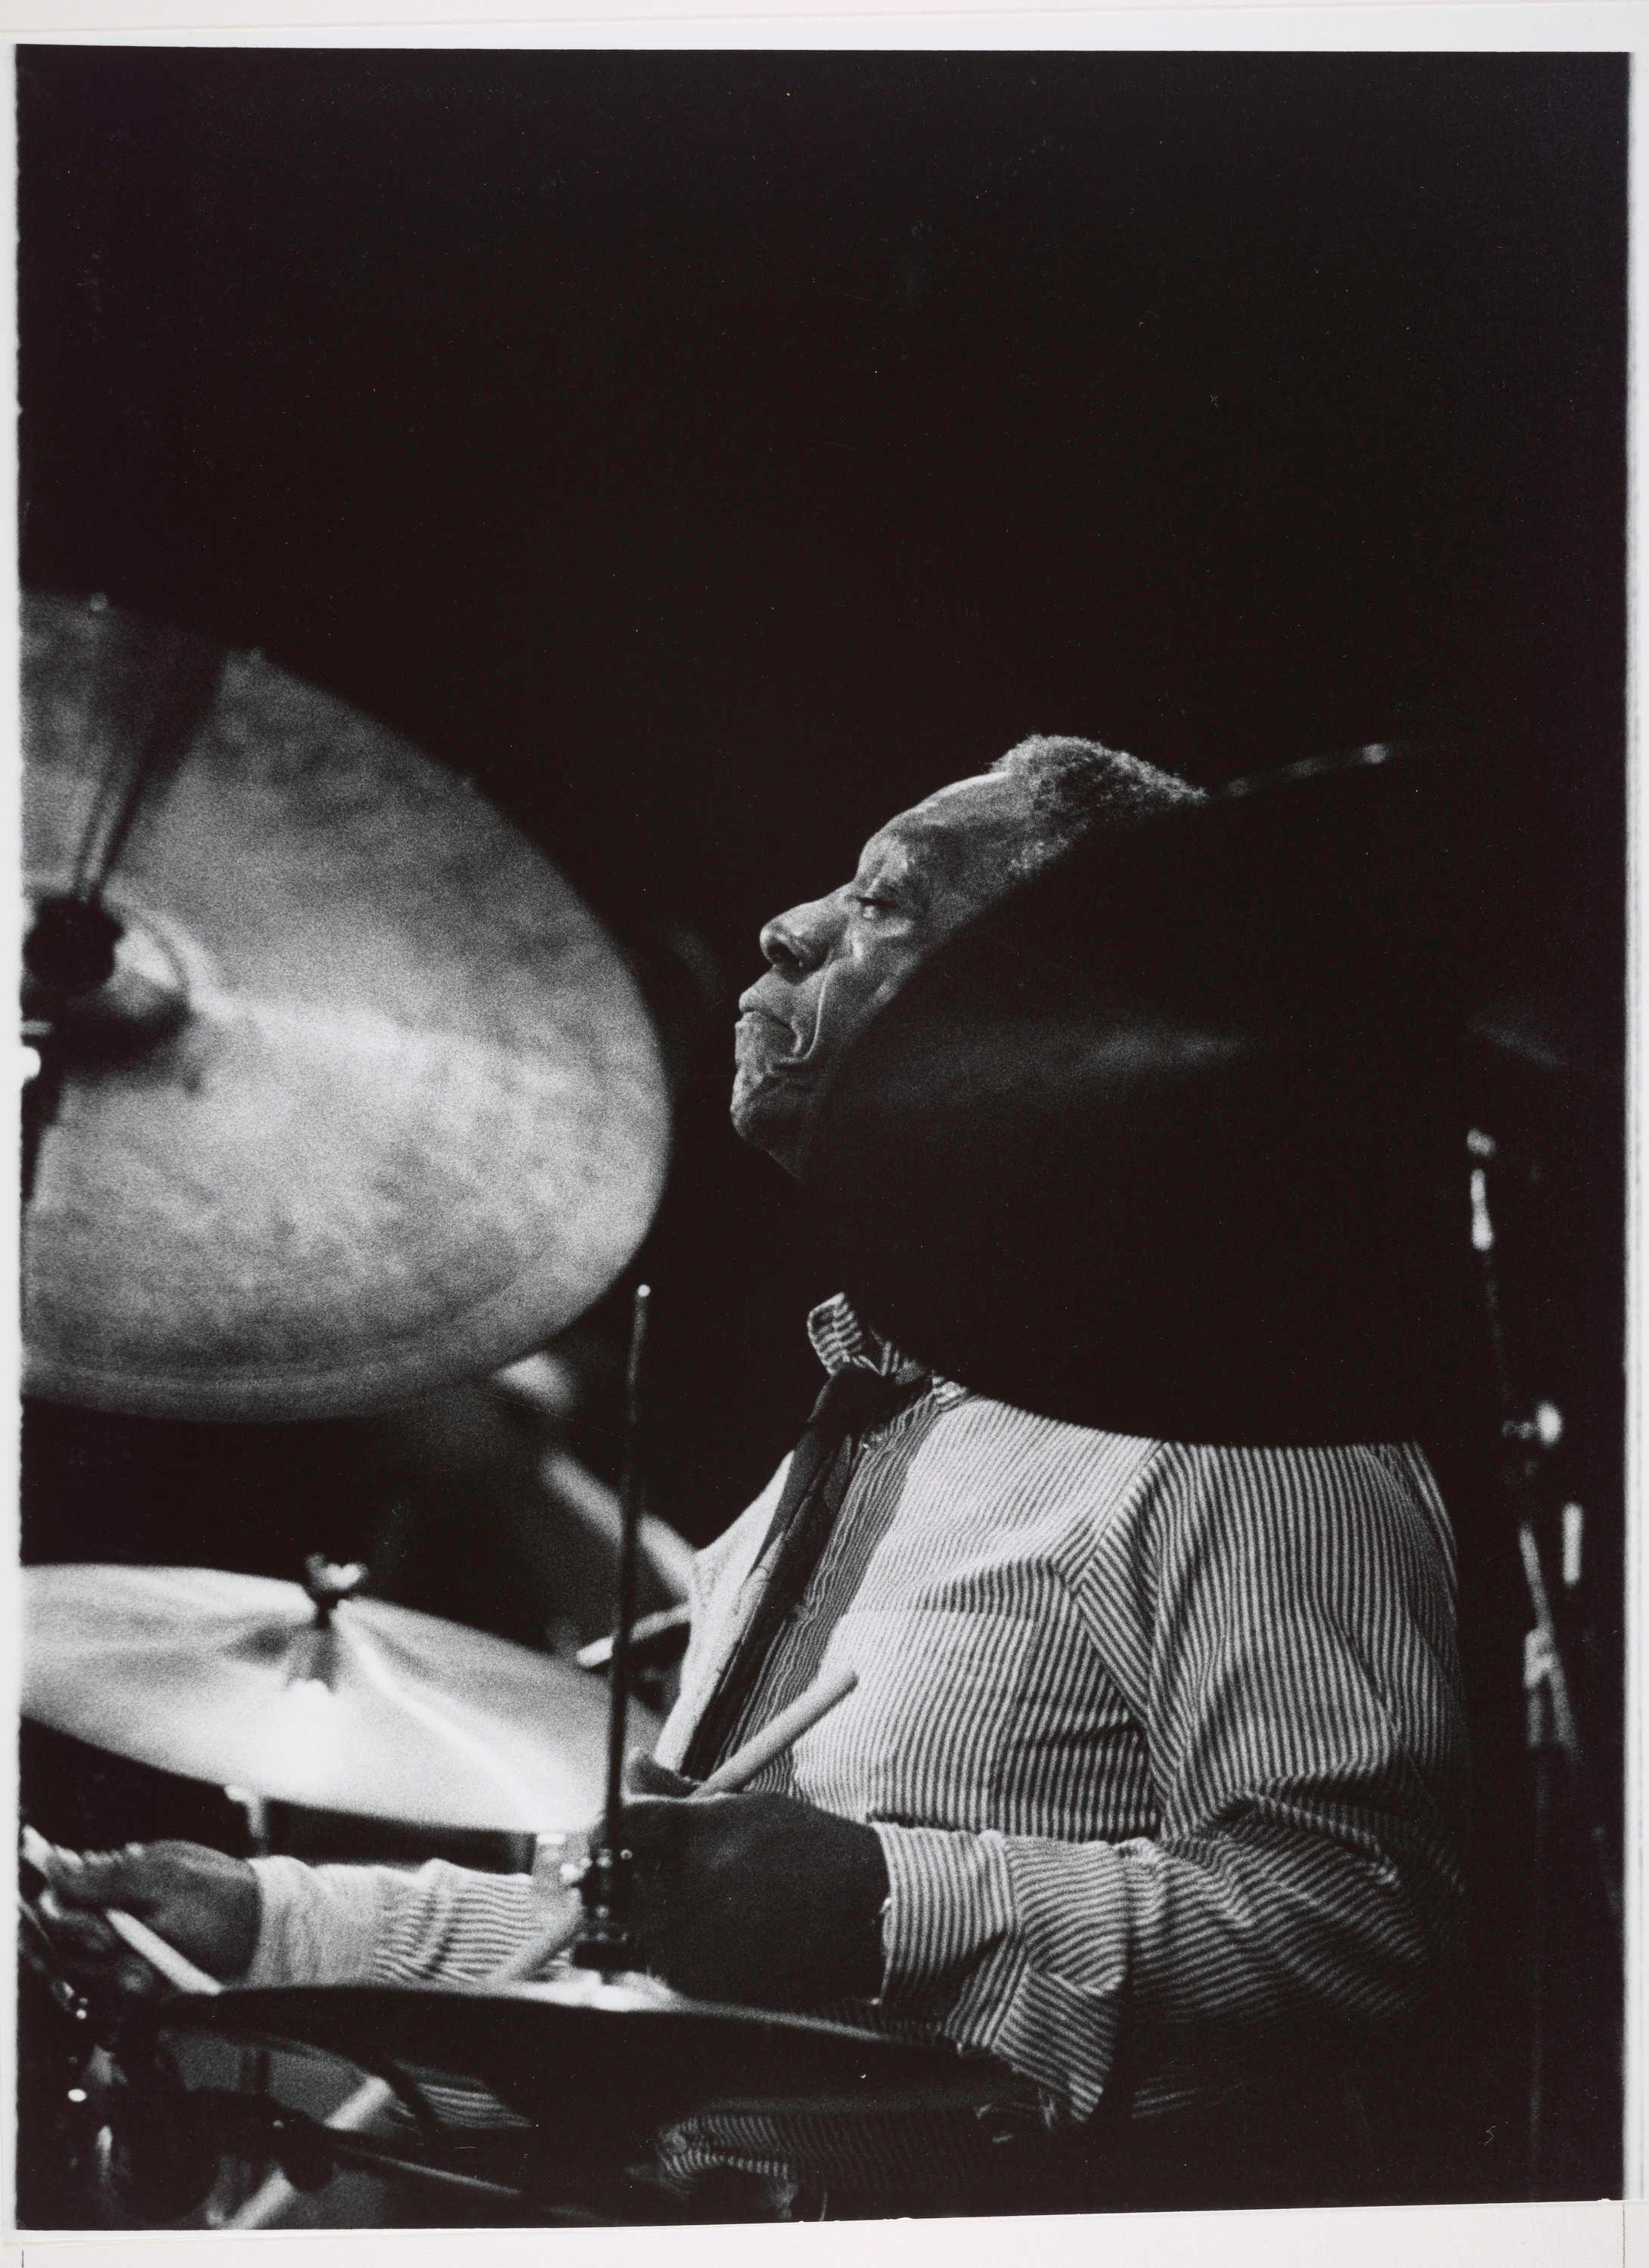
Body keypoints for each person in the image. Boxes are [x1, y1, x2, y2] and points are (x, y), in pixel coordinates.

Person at [37, 736, 1469, 2219]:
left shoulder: (1239, 1430)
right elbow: (643, 1957)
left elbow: (1357, 1930)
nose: (788, 927)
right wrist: (264, 1919)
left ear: (1062, 1010)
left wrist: (882, 1906)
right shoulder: (846, 1446)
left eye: (887, 901)